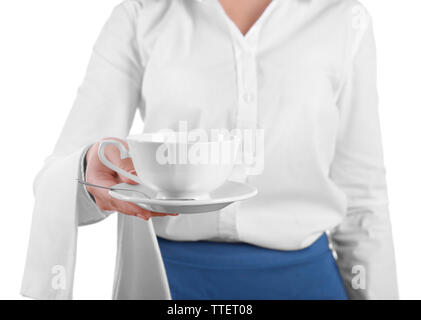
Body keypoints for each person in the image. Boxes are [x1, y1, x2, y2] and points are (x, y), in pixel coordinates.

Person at [22, 0, 398, 300]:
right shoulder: (141, 13)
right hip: (168, 282)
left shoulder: (343, 19)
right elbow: (60, 175)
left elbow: (363, 197)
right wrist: (88, 170)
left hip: (304, 283)